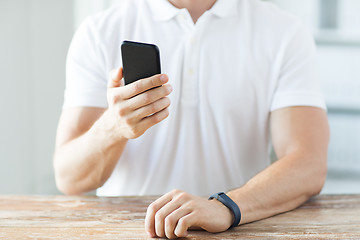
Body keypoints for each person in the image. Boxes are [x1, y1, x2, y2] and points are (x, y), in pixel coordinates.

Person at [54, 0, 329, 238]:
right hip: (128, 232)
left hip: (239, 231)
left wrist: (226, 206)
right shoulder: (99, 32)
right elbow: (70, 177)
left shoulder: (284, 32)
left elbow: (308, 164)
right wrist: (112, 128)